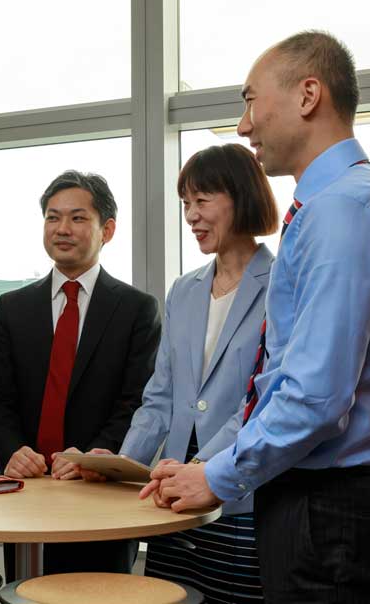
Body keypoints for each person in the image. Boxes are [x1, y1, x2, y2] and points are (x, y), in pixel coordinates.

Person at [142, 31, 370, 603]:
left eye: (249, 101)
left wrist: (215, 476)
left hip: (327, 509)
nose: (244, 126)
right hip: (311, 502)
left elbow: (314, 395)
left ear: (308, 95)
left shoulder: (341, 208)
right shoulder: (332, 204)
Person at [0, 170, 161, 580]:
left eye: (78, 218)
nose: (62, 229)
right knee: (23, 593)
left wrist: (92, 460)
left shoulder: (136, 309)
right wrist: (11, 451)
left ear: (107, 229)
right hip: (25, 491)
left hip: (100, 494)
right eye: (52, 217)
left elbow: (138, 402)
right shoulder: (13, 307)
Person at [118, 143, 276, 601]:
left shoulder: (282, 282)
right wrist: (123, 471)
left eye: (202, 201)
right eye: (186, 203)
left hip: (237, 493)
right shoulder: (183, 291)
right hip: (172, 498)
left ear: (241, 197)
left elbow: (260, 401)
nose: (191, 215)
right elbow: (160, 397)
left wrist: (201, 470)